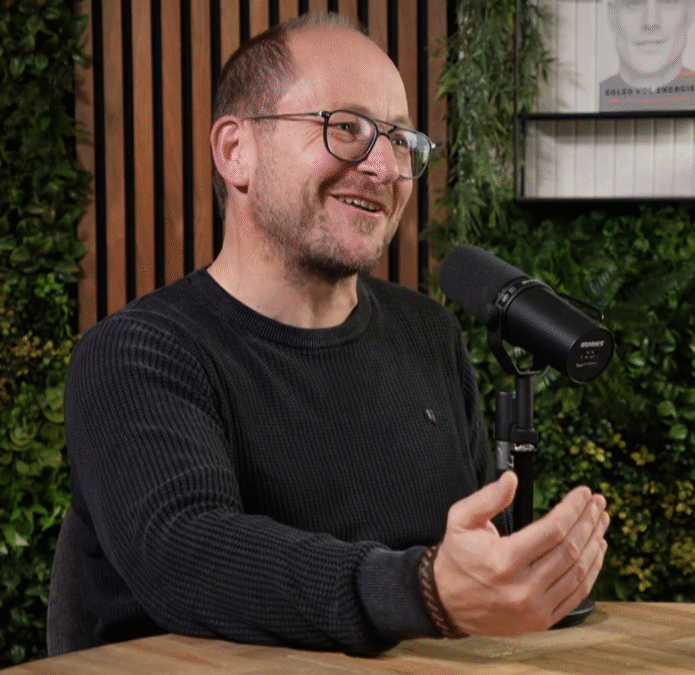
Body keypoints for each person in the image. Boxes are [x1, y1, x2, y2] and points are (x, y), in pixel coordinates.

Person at [59, 12, 609, 656]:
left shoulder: (427, 334)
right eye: (346, 128)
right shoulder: (138, 355)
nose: (384, 166)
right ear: (237, 151)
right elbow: (186, 551)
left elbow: (463, 563)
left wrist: (502, 580)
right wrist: (423, 588)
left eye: (401, 140)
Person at [599, 0, 695, 111]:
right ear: (612, 15)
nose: (650, 23)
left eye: (668, 2)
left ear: (690, 12)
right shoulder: (591, 98)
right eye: (633, 4)